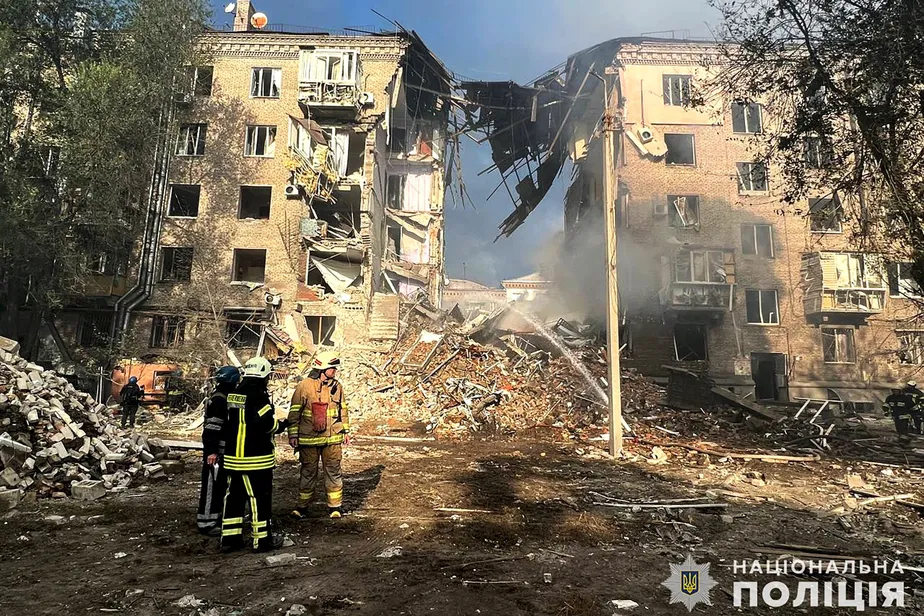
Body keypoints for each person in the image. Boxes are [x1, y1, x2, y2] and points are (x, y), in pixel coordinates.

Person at [219, 357, 284, 553]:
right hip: (255, 459)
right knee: (259, 499)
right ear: (264, 375)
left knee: (233, 498)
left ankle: (230, 539)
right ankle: (262, 541)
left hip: (232, 459)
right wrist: (282, 425)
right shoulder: (259, 396)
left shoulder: (234, 394)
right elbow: (265, 424)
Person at [287, 351, 350, 520]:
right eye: (332, 368)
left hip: (333, 439)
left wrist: (345, 431)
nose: (335, 371)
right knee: (308, 472)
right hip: (309, 438)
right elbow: (294, 412)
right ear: (322, 369)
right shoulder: (304, 386)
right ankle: (302, 507)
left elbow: (343, 409)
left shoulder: (338, 386)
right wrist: (293, 435)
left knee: (333, 472)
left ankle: (335, 507)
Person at [196, 366, 240, 536]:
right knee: (211, 486)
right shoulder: (220, 400)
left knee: (220, 485)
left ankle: (216, 516)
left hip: (222, 450)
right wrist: (212, 452)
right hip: (215, 452)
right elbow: (212, 429)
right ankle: (205, 522)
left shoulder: (223, 396)